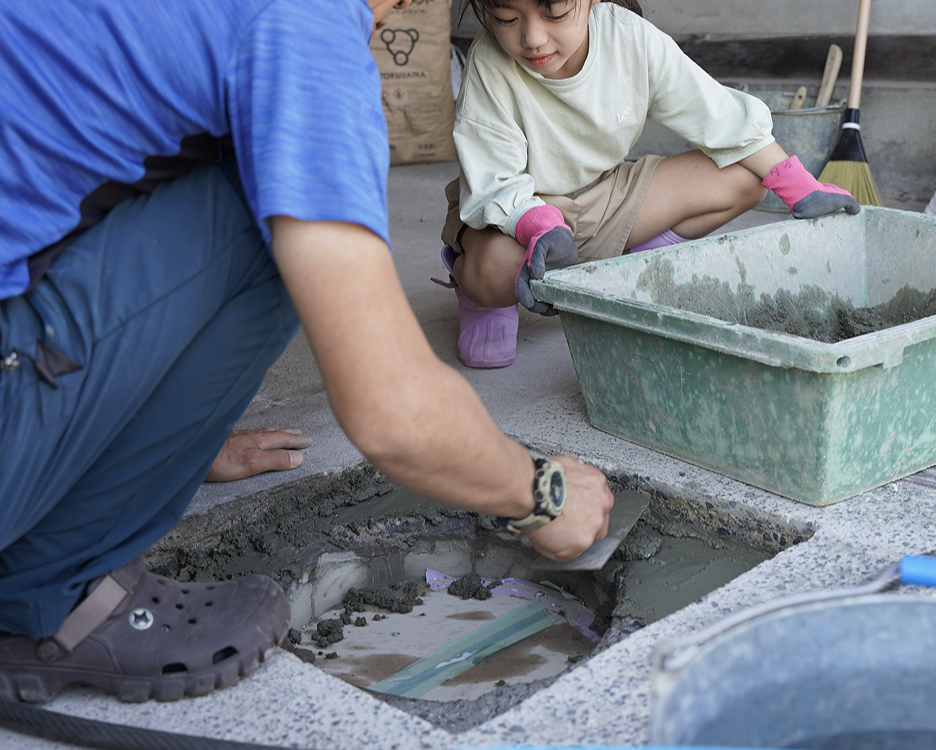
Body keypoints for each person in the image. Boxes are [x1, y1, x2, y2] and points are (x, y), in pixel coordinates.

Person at [0, 0, 613, 704]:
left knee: (241, 168)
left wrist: (154, 425)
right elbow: (391, 410)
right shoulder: (304, 25)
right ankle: (48, 599)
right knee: (269, 206)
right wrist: (538, 493)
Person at [438, 0, 861, 368]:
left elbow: (714, 113)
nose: (532, 38)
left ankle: (628, 269)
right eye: (507, 17)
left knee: (747, 179)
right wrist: (536, 224)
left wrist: (797, 182)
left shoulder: (629, 39)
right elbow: (494, 179)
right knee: (493, 270)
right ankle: (478, 296)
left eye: (555, 13)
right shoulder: (490, 62)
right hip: (518, 217)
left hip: (607, 196)